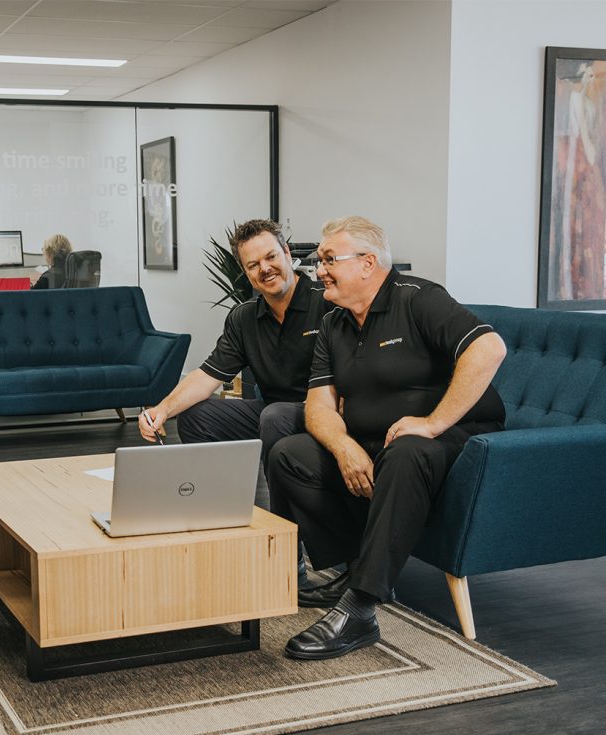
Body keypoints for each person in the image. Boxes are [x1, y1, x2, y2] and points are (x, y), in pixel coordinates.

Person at [268, 216, 506, 661]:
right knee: (289, 454)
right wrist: (343, 447)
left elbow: (489, 348)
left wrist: (433, 422)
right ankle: (359, 565)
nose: (318, 270)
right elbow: (318, 404)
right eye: (318, 261)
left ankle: (361, 608)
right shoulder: (334, 323)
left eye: (328, 260)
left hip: (457, 440)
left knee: (406, 451)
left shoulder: (418, 299)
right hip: (378, 439)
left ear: (367, 263)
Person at [138, 218, 329, 584]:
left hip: (323, 413)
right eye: (253, 265)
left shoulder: (326, 305)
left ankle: (290, 554)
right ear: (245, 272)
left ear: (288, 254)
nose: (265, 269)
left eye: (271, 256)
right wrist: (161, 410)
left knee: (273, 417)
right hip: (273, 413)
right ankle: (224, 522)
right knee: (196, 415)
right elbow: (207, 376)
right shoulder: (244, 318)